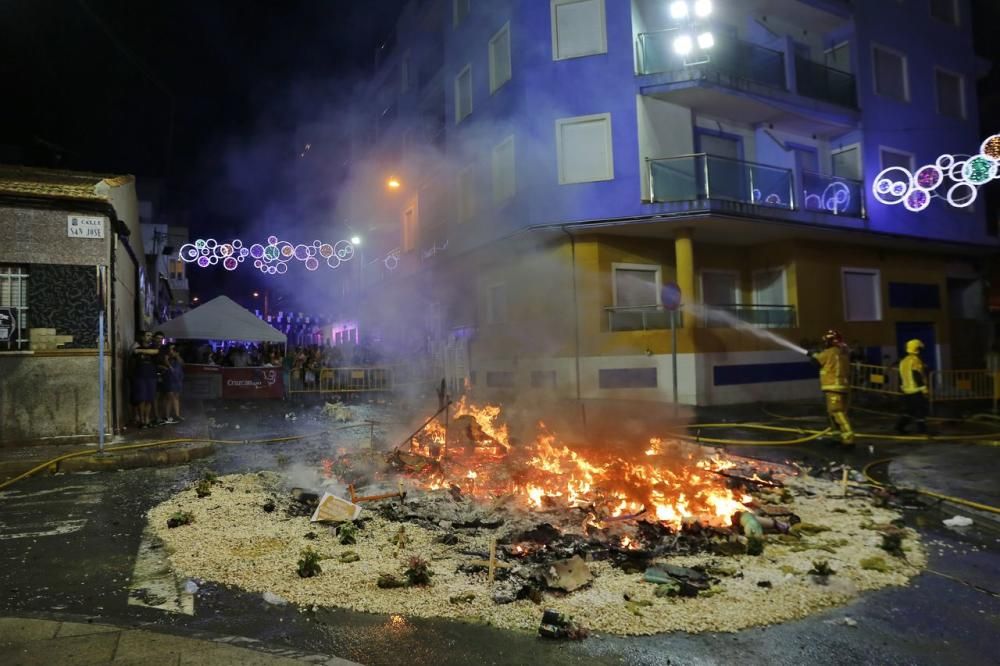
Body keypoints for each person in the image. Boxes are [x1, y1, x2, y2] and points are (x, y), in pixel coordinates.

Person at [807, 329, 854, 445]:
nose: (825, 343)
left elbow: (816, 362)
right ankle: (837, 436)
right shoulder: (843, 352)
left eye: (826, 341)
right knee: (833, 413)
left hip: (834, 387)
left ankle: (849, 438)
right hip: (843, 387)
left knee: (837, 412)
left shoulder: (830, 352)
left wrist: (812, 354)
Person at [896, 339, 930, 435]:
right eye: (920, 348)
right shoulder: (915, 360)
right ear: (917, 349)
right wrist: (925, 390)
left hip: (906, 390)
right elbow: (917, 375)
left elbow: (901, 376)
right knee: (921, 409)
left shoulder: (903, 361)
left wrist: (902, 387)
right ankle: (922, 429)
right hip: (916, 390)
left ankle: (900, 426)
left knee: (909, 410)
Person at [162, 344, 184, 423]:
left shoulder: (178, 358)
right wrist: (167, 361)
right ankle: (169, 416)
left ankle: (176, 415)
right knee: (170, 398)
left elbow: (182, 363)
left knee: (176, 398)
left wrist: (177, 356)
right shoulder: (166, 357)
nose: (171, 351)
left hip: (177, 380)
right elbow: (166, 365)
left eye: (173, 350)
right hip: (169, 380)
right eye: (171, 349)